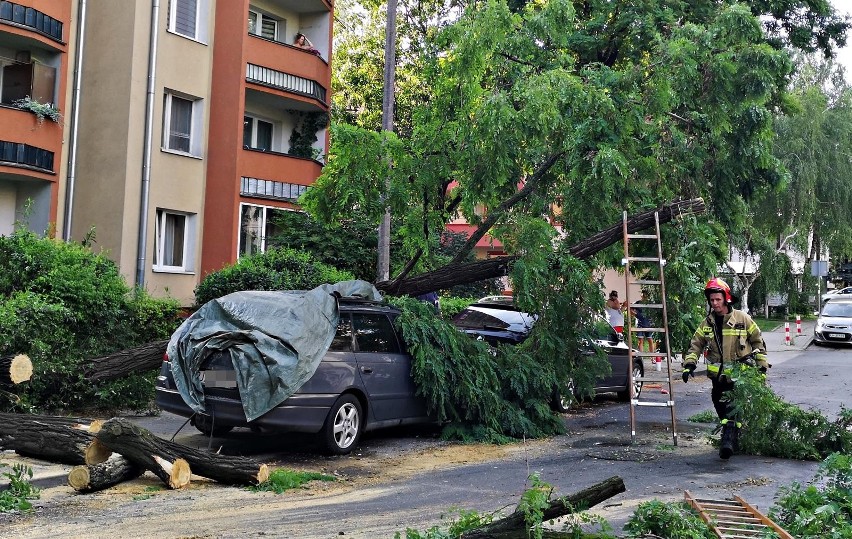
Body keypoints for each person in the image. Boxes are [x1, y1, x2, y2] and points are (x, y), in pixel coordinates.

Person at [681, 277, 769, 460]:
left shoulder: (742, 319)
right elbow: (695, 345)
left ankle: (727, 442)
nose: (714, 304)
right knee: (723, 410)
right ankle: (733, 438)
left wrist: (762, 366)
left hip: (740, 377)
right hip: (718, 379)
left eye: (718, 300)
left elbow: (758, 341)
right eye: (712, 300)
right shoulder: (707, 323)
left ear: (726, 298)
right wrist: (689, 364)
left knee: (732, 410)